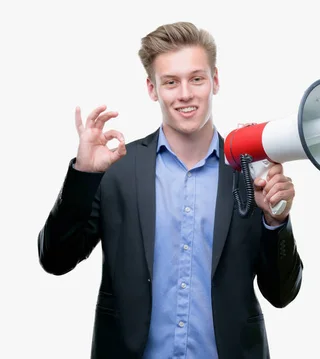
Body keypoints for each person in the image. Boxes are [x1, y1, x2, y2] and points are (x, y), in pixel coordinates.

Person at [37, 21, 303, 359]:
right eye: (171, 82)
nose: (185, 94)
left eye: (196, 78)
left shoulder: (251, 173)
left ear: (215, 80)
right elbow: (55, 260)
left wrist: (275, 219)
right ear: (152, 89)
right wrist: (84, 173)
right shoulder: (116, 169)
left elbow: (281, 294)